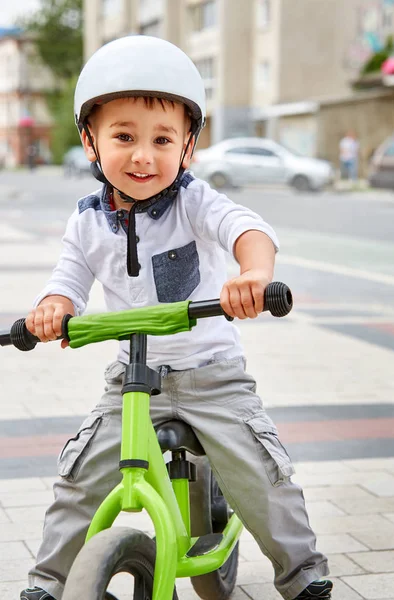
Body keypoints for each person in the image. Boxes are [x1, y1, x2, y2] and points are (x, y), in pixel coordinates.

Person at [20, 36, 332, 600]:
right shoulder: (86, 222)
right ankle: (48, 585)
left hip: (211, 374)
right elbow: (68, 280)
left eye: (162, 140)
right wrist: (53, 310)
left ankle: (303, 575)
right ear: (90, 142)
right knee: (78, 480)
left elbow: (246, 228)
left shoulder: (195, 201)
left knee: (263, 477)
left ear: (188, 148)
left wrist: (253, 276)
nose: (143, 155)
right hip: (130, 383)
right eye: (123, 137)